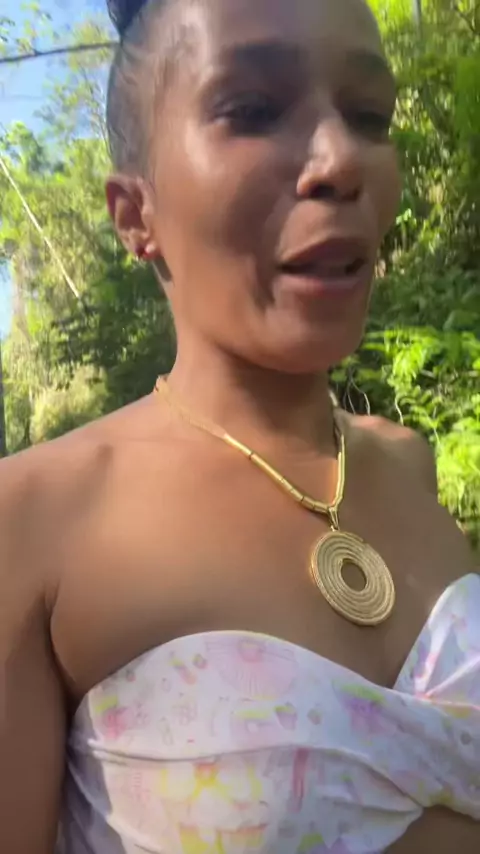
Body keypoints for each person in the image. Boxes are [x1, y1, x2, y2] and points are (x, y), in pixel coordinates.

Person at [1, 0, 479, 851]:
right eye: (253, 110)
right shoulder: (31, 522)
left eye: (370, 116)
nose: (341, 159)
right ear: (135, 214)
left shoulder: (408, 462)